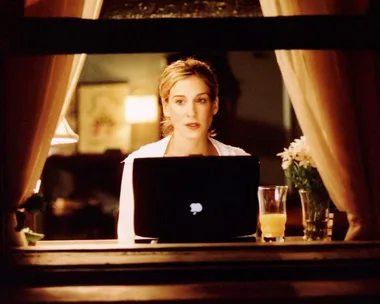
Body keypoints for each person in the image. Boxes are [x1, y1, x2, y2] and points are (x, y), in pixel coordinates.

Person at [117, 58, 249, 243]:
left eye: (200, 100)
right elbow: (127, 238)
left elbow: (247, 236)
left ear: (215, 105)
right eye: (180, 101)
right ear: (166, 107)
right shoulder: (139, 162)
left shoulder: (239, 161)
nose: (191, 112)